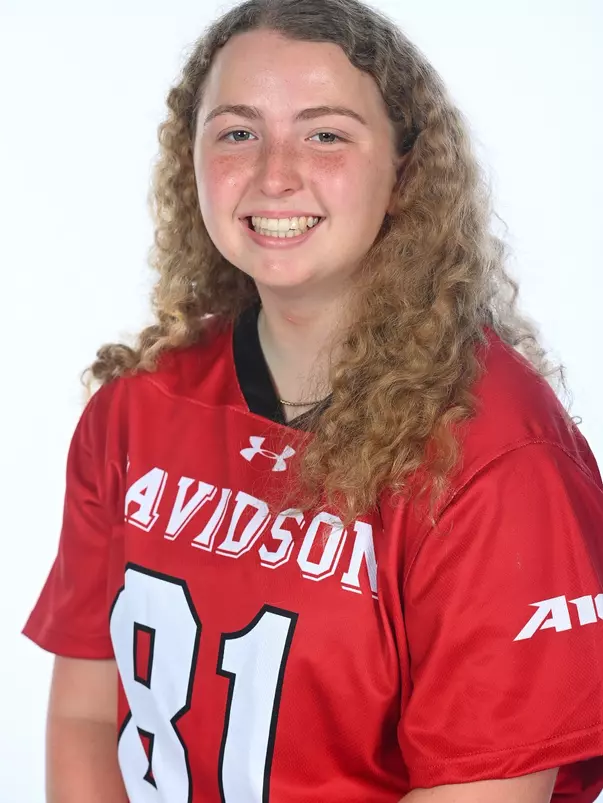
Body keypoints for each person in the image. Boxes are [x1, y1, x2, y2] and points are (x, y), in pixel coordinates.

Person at [22, 0, 603, 801]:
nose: (274, 173)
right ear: (189, 160)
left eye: (325, 133)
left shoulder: (497, 460)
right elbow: (87, 717)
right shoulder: (134, 408)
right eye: (236, 132)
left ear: (404, 171)